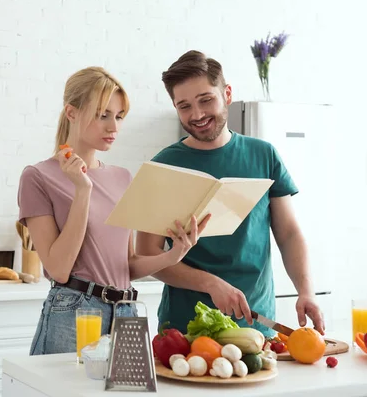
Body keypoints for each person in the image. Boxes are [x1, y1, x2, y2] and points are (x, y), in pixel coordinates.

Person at [17, 66, 210, 356]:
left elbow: (126, 265)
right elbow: (58, 269)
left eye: (119, 117)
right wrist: (83, 191)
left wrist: (173, 255)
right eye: (102, 115)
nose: (113, 127)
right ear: (72, 112)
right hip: (75, 311)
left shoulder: (122, 177)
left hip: (127, 312)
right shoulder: (38, 177)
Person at [136, 50, 325, 338]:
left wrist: (306, 291)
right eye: (184, 106)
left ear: (227, 93)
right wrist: (210, 283)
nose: (196, 115)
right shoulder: (163, 166)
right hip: (184, 331)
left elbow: (288, 234)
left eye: (205, 100)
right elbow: (147, 255)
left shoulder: (264, 155)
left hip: (257, 325)